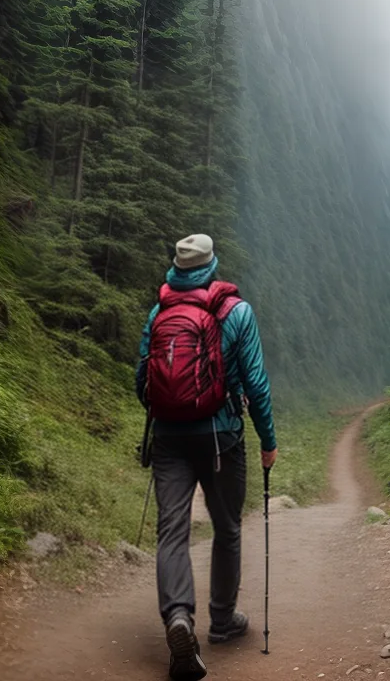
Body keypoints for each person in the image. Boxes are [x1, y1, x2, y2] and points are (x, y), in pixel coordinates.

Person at [136, 233, 277, 681]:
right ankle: (221, 620)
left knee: (171, 532)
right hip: (222, 438)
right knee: (227, 528)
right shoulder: (235, 311)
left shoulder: (160, 312)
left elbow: (142, 380)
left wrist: (171, 413)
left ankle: (178, 616)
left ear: (175, 268)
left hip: (169, 441)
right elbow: (255, 382)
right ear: (212, 264)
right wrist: (268, 440)